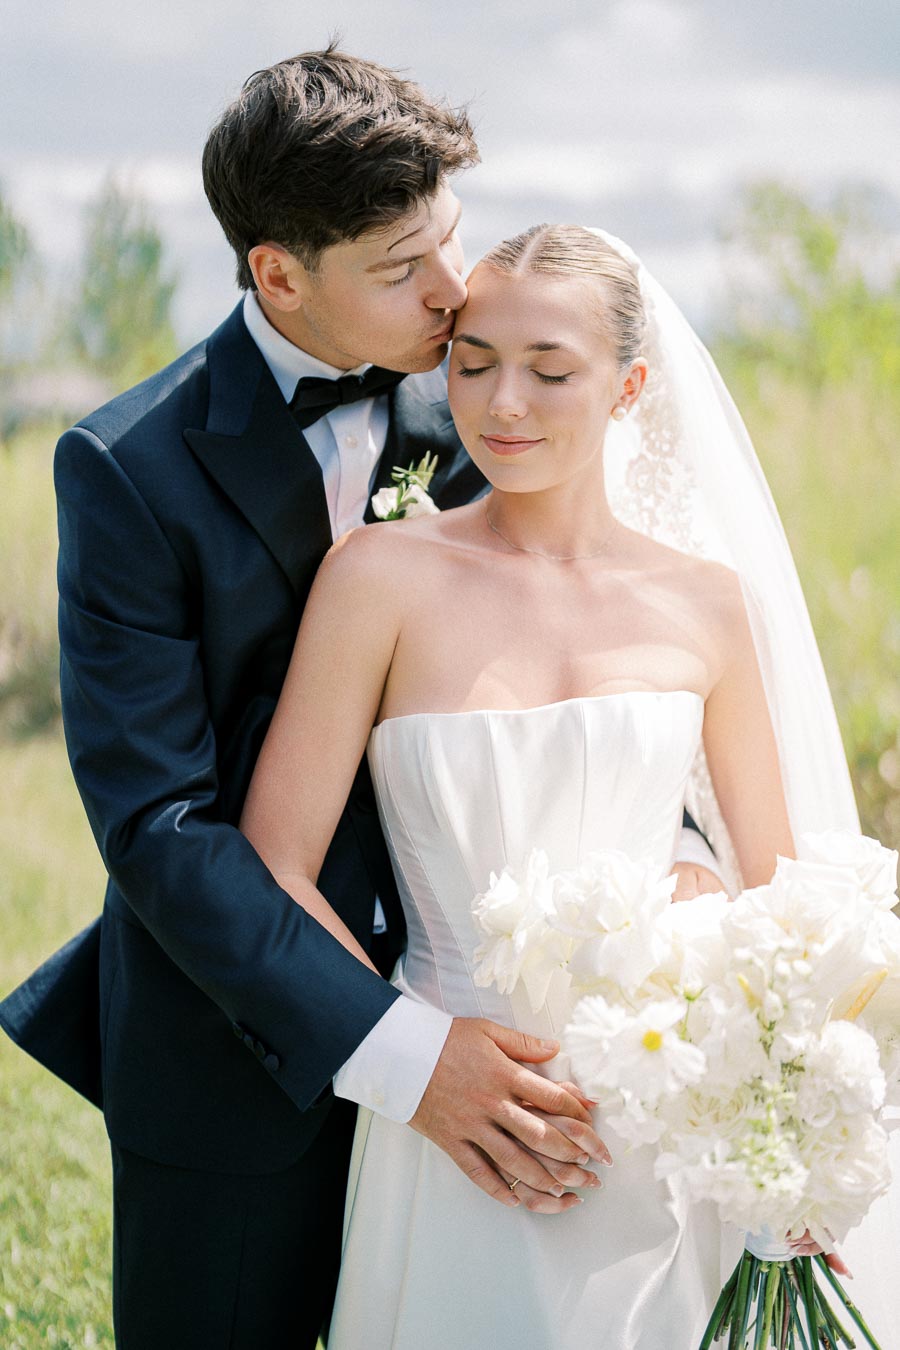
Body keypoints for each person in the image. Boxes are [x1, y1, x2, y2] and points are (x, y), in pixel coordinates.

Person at [0, 51, 720, 1350]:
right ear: (281, 273)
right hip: (237, 1056)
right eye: (402, 268)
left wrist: (664, 855)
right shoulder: (127, 471)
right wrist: (407, 1052)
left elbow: (601, 655)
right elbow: (160, 826)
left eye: (449, 236)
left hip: (526, 1050)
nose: (454, 292)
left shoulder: (496, 403)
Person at [238, 223, 899, 1348]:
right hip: (454, 1120)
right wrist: (416, 1064)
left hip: (665, 1125)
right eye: (475, 361)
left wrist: (773, 1126)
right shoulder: (379, 579)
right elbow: (275, 865)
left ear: (631, 386)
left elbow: (779, 898)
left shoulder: (705, 603)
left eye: (550, 371)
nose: (502, 405)